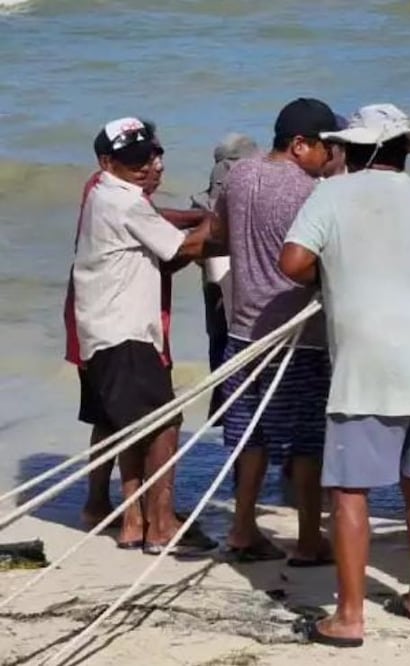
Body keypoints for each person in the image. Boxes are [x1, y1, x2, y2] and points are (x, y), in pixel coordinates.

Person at [280, 103, 410, 647]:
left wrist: (336, 268)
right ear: (405, 152)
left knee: (350, 489)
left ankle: (350, 615)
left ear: (351, 149)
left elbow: (291, 264)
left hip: (370, 359)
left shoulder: (332, 194)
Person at [72, 117, 220, 553]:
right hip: (124, 331)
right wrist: (229, 216)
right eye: (136, 160)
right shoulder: (123, 202)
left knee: (128, 425)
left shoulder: (105, 192)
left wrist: (201, 226)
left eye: (153, 155)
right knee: (164, 424)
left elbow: (166, 251)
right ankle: (160, 526)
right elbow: (183, 248)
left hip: (102, 328)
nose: (149, 165)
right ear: (106, 161)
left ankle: (135, 523)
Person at [214, 98, 337, 565]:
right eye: (329, 146)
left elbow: (221, 232)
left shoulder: (239, 173)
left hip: (242, 331)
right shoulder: (312, 193)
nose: (332, 156)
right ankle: (309, 539)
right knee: (306, 442)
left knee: (250, 438)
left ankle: (242, 528)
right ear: (301, 144)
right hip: (296, 337)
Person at [191, 133, 260, 420]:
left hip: (228, 311)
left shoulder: (208, 198)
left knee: (236, 399)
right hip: (251, 312)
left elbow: (196, 253)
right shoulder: (258, 184)